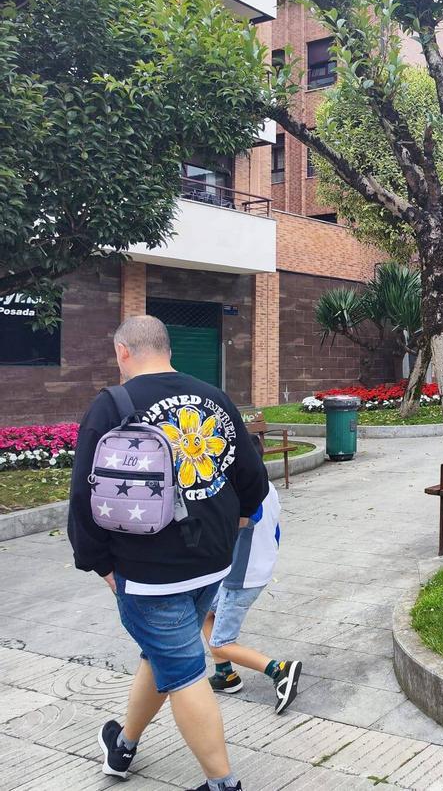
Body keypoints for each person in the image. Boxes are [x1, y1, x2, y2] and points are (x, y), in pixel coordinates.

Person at [68, 315, 267, 791]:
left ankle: (223, 784)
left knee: (183, 672)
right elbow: (253, 478)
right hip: (212, 562)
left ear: (122, 352)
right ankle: (124, 744)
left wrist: (99, 563)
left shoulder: (112, 404)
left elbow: (83, 495)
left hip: (149, 572)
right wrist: (238, 521)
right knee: (162, 653)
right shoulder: (213, 397)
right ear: (168, 349)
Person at [204, 436, 301, 716]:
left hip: (241, 578)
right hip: (253, 569)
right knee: (204, 611)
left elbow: (237, 524)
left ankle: (278, 670)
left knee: (222, 641)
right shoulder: (267, 487)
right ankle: (225, 674)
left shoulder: (246, 494)